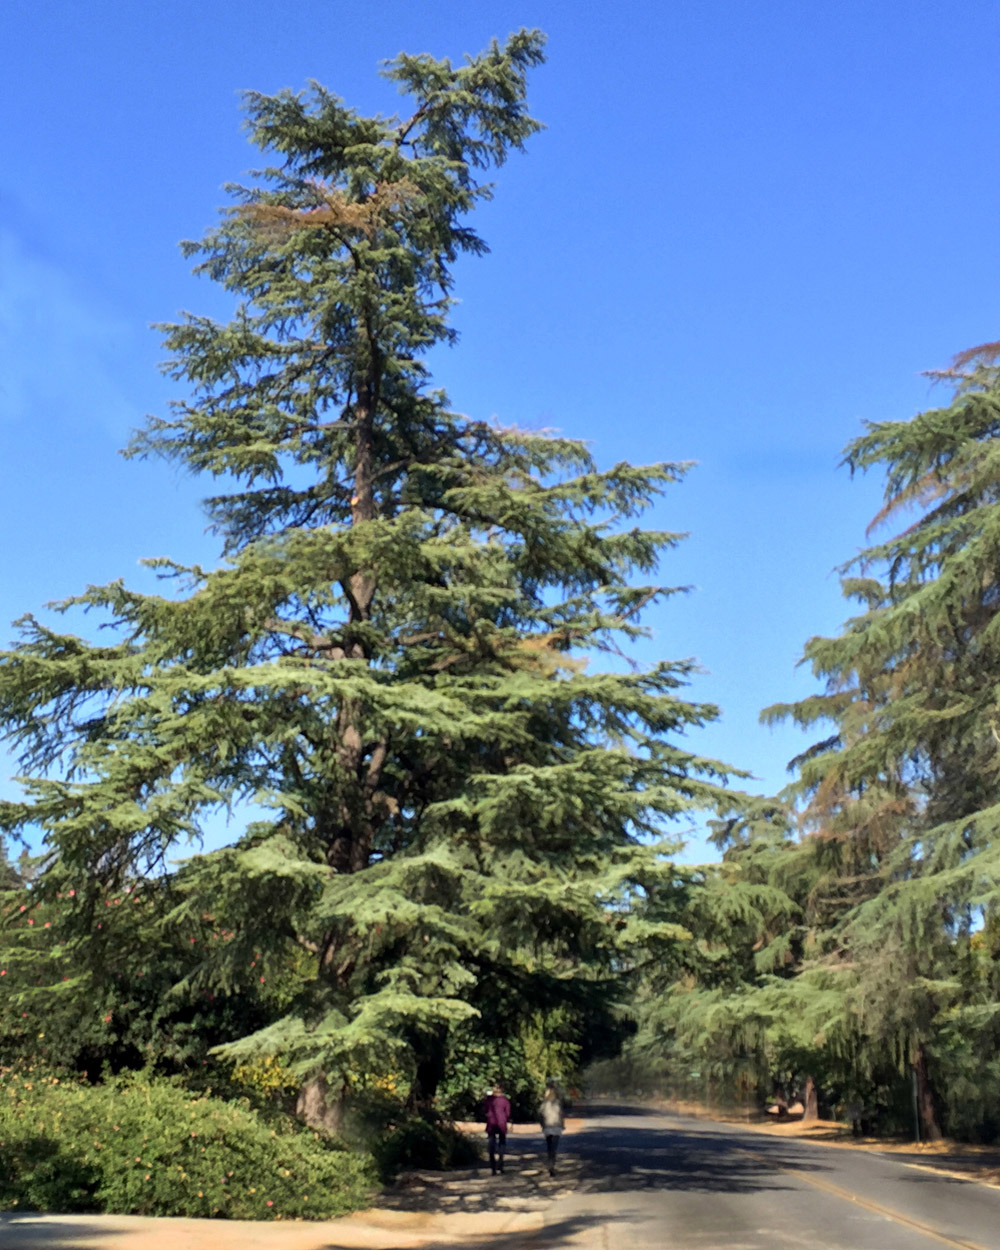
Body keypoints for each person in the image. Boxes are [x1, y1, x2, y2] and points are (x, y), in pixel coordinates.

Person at [483, 1080, 512, 1175]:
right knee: (502, 1143)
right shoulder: (505, 1101)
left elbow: (484, 1110)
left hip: (491, 1123)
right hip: (501, 1123)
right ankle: (500, 1163)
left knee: (491, 1144)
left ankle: (493, 1167)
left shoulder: (489, 1100)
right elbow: (508, 1114)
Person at [538, 1083, 565, 1176]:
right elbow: (561, 1115)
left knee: (549, 1147)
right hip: (556, 1127)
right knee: (554, 1148)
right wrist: (562, 1125)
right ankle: (552, 1165)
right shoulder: (558, 1103)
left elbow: (540, 1115)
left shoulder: (544, 1104)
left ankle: (550, 1164)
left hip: (547, 1127)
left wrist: (542, 1125)